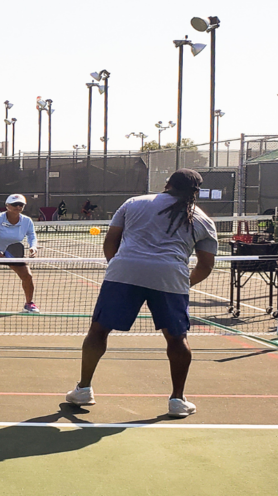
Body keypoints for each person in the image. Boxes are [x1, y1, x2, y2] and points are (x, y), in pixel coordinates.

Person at [66, 169, 218, 419]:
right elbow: (206, 265)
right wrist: (182, 284)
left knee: (99, 330)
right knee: (177, 338)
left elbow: (110, 242)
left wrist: (118, 268)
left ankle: (83, 389)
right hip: (170, 277)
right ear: (196, 192)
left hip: (124, 273)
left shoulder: (134, 202)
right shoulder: (202, 219)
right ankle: (178, 400)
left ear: (167, 184)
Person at [0, 193, 39, 314]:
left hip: (13, 253)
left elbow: (31, 235)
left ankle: (29, 304)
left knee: (27, 276)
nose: (18, 207)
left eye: (21, 204)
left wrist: (33, 246)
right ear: (7, 206)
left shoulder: (27, 221)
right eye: (15, 204)